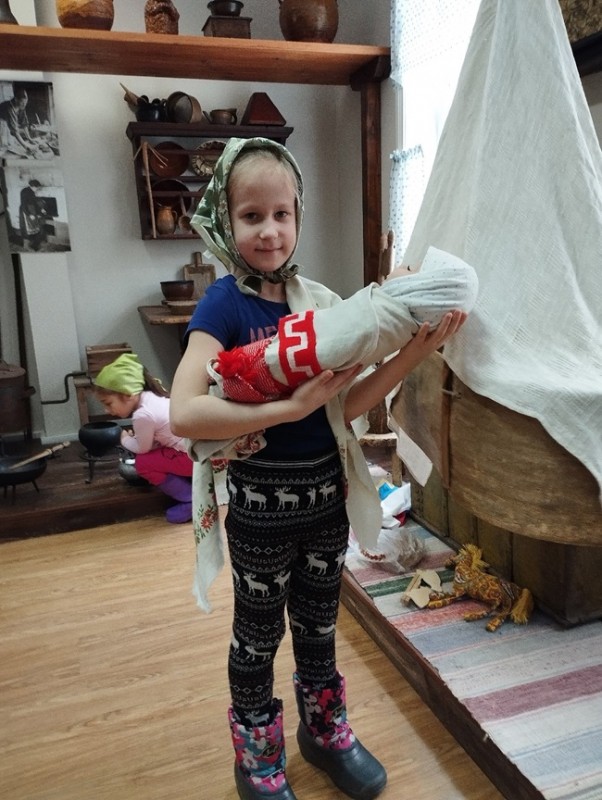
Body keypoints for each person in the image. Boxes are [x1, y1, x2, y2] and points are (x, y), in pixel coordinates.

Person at [169, 138, 472, 800]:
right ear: (225, 220)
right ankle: (257, 756)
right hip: (260, 511)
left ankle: (324, 731)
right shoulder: (223, 306)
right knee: (257, 636)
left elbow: (347, 406)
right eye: (252, 216)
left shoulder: (321, 305)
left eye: (282, 214)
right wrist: (288, 407)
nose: (270, 231)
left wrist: (415, 351)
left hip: (325, 500)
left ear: (298, 215)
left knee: (318, 627)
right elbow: (186, 412)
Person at [94, 353, 193, 524]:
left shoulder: (142, 414)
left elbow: (142, 449)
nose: (106, 410)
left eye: (108, 403)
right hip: (197, 452)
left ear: (129, 395)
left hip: (192, 458)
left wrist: (124, 439)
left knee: (143, 463)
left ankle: (190, 498)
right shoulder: (154, 397)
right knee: (154, 456)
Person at [0, 87, 38, 153]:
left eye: (26, 102)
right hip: (1, 122)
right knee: (2, 146)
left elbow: (24, 124)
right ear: (16, 99)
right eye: (22, 102)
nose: (24, 105)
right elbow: (14, 131)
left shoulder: (21, 106)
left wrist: (30, 139)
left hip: (6, 123)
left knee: (11, 144)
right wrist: (26, 146)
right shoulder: (10, 108)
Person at [18, 179, 46, 251]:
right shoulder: (24, 191)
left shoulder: (32, 192)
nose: (37, 189)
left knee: (34, 227)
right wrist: (29, 214)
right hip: (25, 212)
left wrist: (41, 210)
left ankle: (33, 244)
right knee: (26, 228)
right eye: (37, 188)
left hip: (32, 210)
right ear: (33, 186)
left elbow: (34, 203)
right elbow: (23, 204)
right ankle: (26, 245)